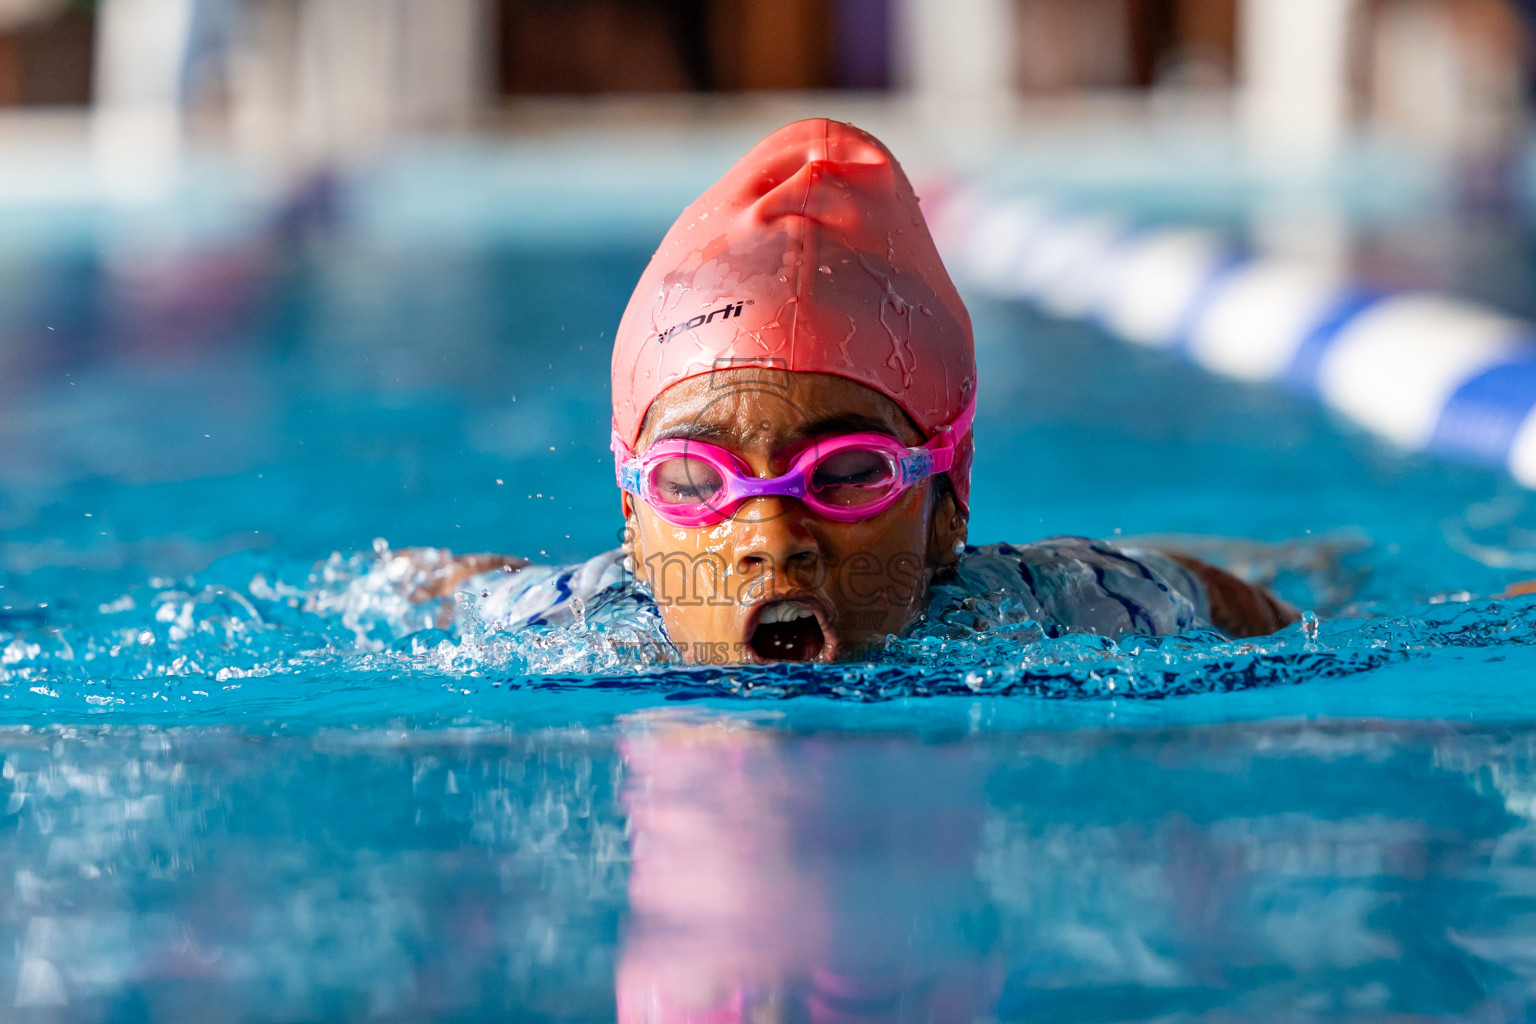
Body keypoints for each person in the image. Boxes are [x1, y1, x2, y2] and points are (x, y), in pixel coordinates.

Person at [414, 119, 1296, 665]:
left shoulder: (1056, 605)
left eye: (846, 473)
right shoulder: (559, 626)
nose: (772, 541)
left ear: (948, 508)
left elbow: (1222, 597)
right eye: (694, 481)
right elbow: (443, 594)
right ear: (634, 519)